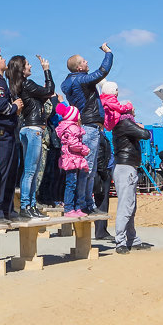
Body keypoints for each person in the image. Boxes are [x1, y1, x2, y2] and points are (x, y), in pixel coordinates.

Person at [60, 43, 115, 215]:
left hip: (85, 124)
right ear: (78, 67)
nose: (87, 62)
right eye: (84, 61)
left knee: (87, 168)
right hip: (90, 125)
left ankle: (84, 203)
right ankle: (85, 204)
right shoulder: (81, 80)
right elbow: (102, 71)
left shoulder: (68, 83)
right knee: (88, 169)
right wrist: (108, 53)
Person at [8, 54, 53, 219]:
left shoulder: (20, 86)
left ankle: (30, 205)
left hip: (28, 129)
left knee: (30, 171)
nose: (30, 66)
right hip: (33, 129)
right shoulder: (28, 84)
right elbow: (49, 90)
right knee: (30, 171)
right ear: (22, 68)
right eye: (28, 64)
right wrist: (46, 70)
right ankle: (27, 205)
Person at [0, 49, 24, 223]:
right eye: (0, 58)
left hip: (8, 131)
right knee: (0, 173)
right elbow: (1, 106)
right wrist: (15, 107)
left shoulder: (1, 81)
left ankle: (8, 210)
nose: (3, 59)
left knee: (10, 173)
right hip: (0, 132)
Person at [111, 105, 153, 253]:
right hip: (126, 167)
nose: (135, 110)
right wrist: (140, 126)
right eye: (133, 108)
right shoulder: (126, 123)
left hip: (127, 167)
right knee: (126, 206)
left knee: (130, 206)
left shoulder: (122, 123)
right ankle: (121, 242)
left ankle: (132, 239)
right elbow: (146, 134)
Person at [56, 102, 89, 217]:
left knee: (73, 182)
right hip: (72, 159)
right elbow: (73, 144)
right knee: (71, 183)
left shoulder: (69, 127)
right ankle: (69, 208)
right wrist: (84, 149)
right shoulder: (73, 128)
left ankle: (76, 207)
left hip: (73, 158)